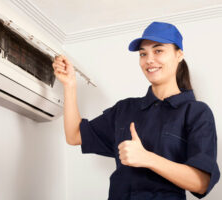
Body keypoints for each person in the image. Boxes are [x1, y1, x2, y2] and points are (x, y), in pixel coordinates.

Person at [52, 21, 220, 200]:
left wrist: (147, 158)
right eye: (143, 53)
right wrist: (70, 85)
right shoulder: (125, 109)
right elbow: (74, 135)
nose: (149, 59)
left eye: (158, 50)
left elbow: (201, 183)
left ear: (179, 55)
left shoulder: (196, 112)